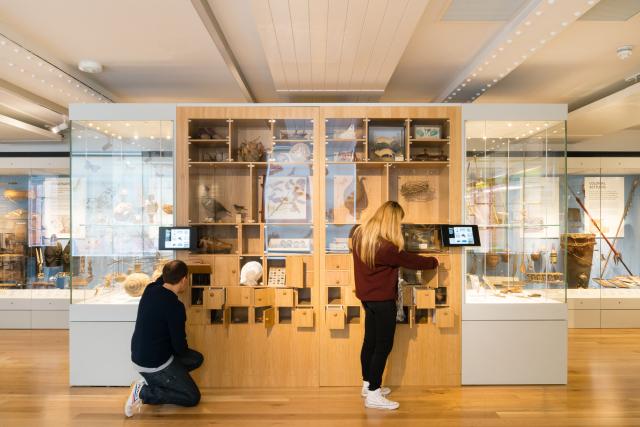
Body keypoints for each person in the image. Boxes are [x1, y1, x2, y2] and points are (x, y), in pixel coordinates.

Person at [351, 201, 438, 410]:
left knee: (369, 342)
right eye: (398, 221)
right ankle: (374, 393)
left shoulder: (359, 235)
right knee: (383, 345)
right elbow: (411, 260)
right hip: (382, 301)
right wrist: (433, 261)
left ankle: (368, 385)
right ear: (392, 221)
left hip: (367, 298)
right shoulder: (386, 247)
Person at [124, 260, 203, 417]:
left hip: (139, 356)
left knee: (196, 358)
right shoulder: (175, 307)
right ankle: (143, 392)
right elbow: (179, 346)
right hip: (154, 363)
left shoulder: (151, 289)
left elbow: (161, 279)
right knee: (192, 397)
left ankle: (157, 382)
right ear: (184, 280)